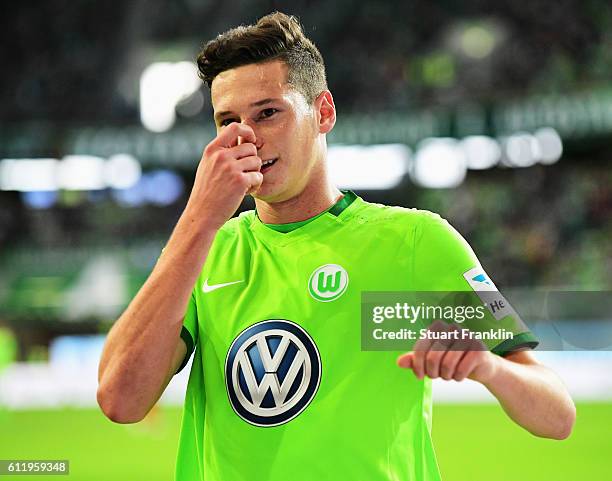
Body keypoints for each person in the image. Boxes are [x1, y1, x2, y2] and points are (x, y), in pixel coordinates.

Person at [97, 12, 576, 481]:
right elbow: (120, 400)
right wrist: (198, 221)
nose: (247, 139)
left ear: (323, 112)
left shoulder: (416, 243)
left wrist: (491, 368)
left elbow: (557, 416)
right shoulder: (205, 252)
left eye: (268, 113)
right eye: (228, 121)